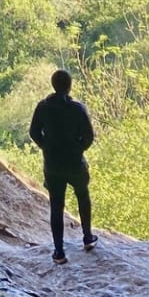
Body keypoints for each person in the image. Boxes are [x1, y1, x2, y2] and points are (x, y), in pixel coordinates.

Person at [29, 69, 96, 263]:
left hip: (53, 164)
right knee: (83, 195)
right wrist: (79, 149)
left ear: (53, 85)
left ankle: (59, 251)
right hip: (75, 161)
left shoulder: (43, 107)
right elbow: (89, 136)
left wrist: (46, 147)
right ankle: (88, 238)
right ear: (69, 86)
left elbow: (34, 132)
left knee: (56, 206)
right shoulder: (77, 108)